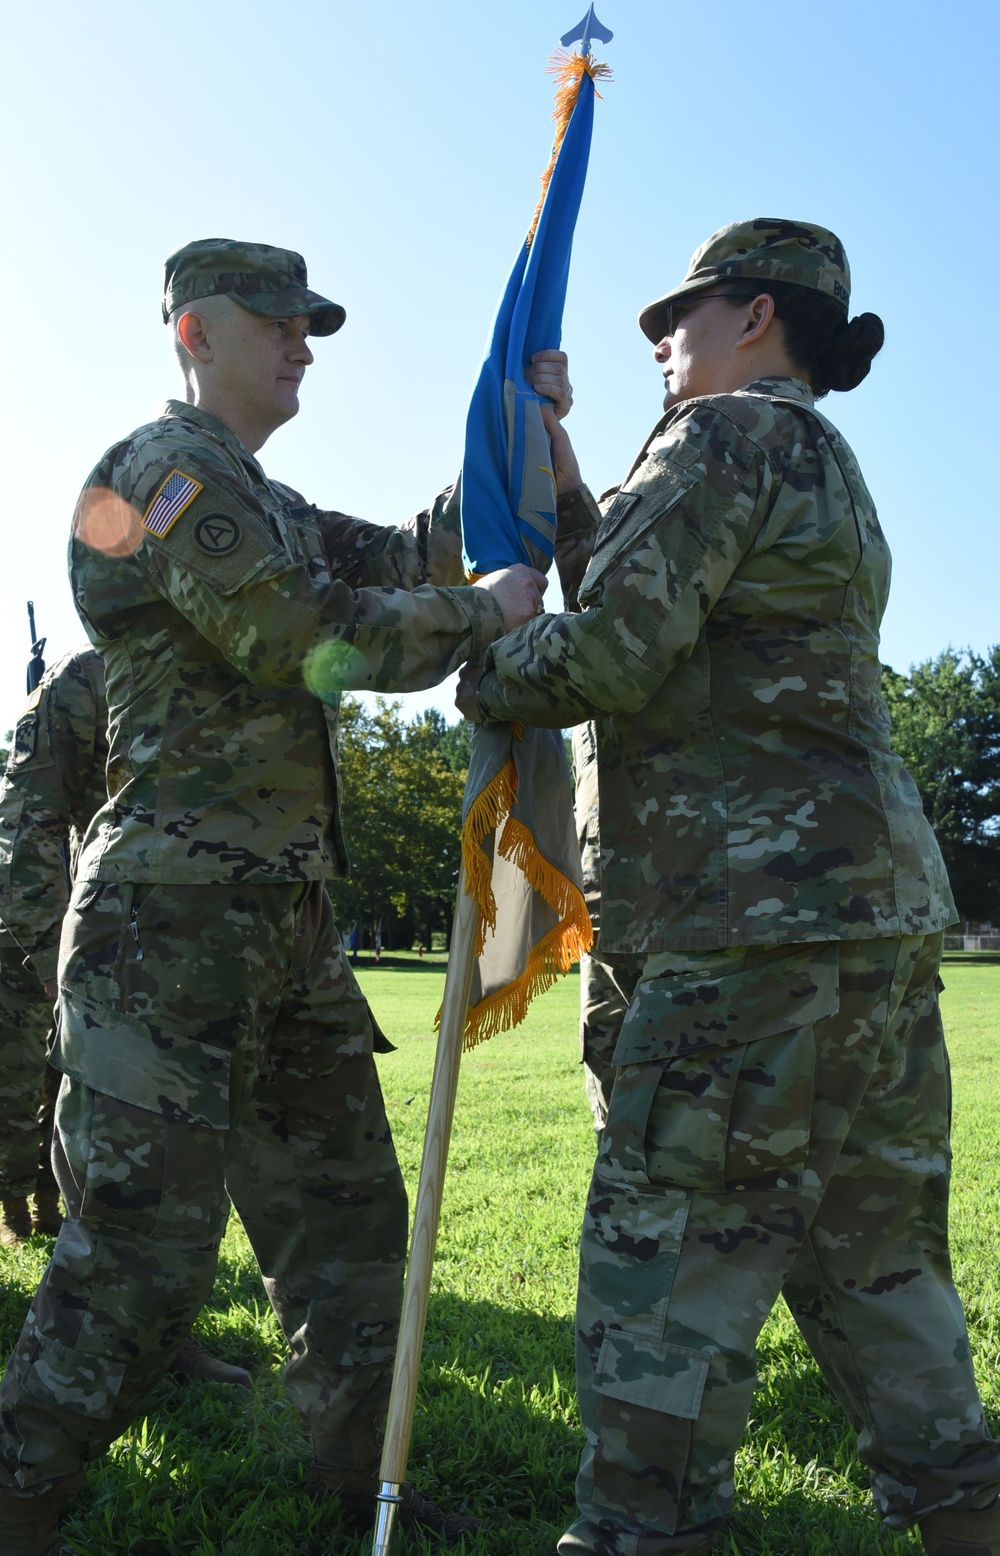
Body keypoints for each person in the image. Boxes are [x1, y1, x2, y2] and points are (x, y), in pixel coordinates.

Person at [0, 237, 566, 1556]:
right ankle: (20, 1504)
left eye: (313, 324)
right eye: (279, 323)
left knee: (349, 1223)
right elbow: (302, 638)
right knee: (139, 1257)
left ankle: (356, 1480)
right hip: (167, 923)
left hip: (288, 930)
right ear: (195, 331)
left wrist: (519, 433)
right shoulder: (162, 477)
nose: (303, 343)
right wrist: (485, 619)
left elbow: (422, 552)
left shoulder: (273, 500)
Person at [457, 218, 1000, 1556]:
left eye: (682, 314)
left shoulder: (717, 439)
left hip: (746, 932)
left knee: (664, 1278)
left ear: (754, 317)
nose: (659, 337)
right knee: (876, 1268)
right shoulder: (812, 453)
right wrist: (575, 491)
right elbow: (674, 603)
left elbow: (617, 653)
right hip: (858, 921)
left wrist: (488, 641)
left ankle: (642, 1531)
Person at [0, 645, 251, 1389]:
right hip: (58, 942)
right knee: (24, 1122)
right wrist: (45, 954)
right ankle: (55, 1306)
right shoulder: (83, 680)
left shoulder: (229, 663)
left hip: (162, 947)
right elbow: (27, 818)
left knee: (146, 1154)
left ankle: (156, 1338)